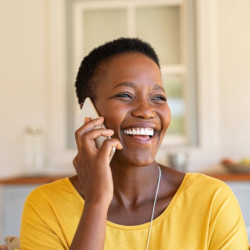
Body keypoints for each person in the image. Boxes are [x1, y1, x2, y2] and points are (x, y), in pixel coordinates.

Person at [20, 37, 249, 250]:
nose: (147, 111)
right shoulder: (45, 206)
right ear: (90, 112)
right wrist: (97, 202)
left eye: (158, 97)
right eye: (125, 95)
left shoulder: (212, 200)